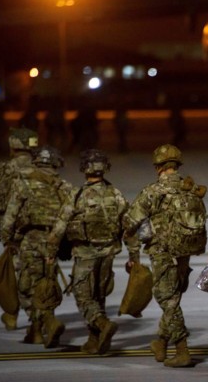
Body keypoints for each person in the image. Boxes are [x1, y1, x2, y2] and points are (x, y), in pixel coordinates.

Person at [122, 144, 207, 368]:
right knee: (174, 296)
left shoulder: (153, 190)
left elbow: (131, 220)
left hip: (163, 251)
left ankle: (182, 349)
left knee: (166, 298)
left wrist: (128, 234)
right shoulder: (191, 187)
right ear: (176, 165)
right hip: (185, 251)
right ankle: (161, 342)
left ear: (158, 167)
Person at [47, 149, 131, 355]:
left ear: (85, 169)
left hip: (85, 254)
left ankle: (103, 324)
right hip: (108, 254)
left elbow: (60, 226)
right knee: (98, 296)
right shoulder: (116, 194)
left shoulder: (77, 195)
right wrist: (134, 256)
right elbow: (129, 226)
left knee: (83, 297)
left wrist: (51, 251)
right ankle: (95, 340)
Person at [0, 145, 72, 348]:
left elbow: (10, 215)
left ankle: (45, 323)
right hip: (53, 241)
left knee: (27, 285)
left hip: (30, 239)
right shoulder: (63, 186)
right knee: (47, 284)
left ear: (36, 161)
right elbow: (69, 216)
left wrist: (7, 238)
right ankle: (37, 330)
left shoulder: (23, 183)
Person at [0, 127, 39, 331]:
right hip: (40, 230)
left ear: (13, 146)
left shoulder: (4, 169)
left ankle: (21, 316)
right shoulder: (43, 168)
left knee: (17, 272)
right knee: (36, 272)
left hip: (12, 230)